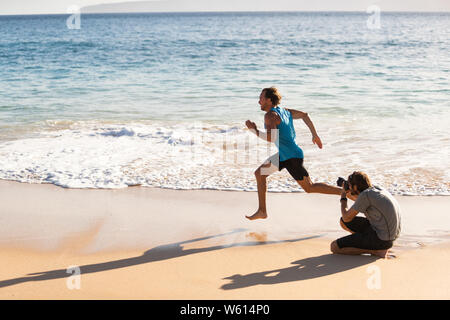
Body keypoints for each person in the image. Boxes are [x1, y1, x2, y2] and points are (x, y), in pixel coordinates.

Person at [245, 87, 341, 220]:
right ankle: (262, 211)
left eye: (261, 98)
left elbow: (271, 138)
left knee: (309, 187)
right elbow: (305, 115)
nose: (258, 101)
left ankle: (345, 192)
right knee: (259, 174)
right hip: (284, 155)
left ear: (269, 100)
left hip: (291, 157)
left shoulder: (270, 116)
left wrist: (253, 130)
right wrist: (315, 135)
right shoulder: (285, 111)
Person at [330, 171, 401, 258]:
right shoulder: (375, 189)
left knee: (334, 247)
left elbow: (346, 217)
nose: (349, 186)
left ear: (355, 187)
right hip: (388, 235)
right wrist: (349, 189)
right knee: (343, 222)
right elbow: (357, 202)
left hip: (382, 239)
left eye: (350, 185)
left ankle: (375, 250)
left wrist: (343, 195)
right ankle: (365, 242)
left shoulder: (365, 196)